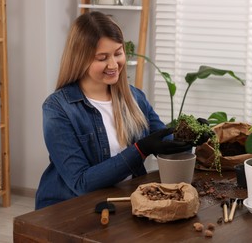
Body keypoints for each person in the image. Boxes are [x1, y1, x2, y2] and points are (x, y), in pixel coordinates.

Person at [35, 11, 191, 210]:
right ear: (80, 59)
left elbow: (166, 144)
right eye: (102, 58)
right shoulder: (58, 108)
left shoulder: (134, 97)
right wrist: (140, 150)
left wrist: (191, 137)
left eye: (118, 53)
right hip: (69, 209)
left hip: (124, 203)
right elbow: (82, 183)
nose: (113, 64)